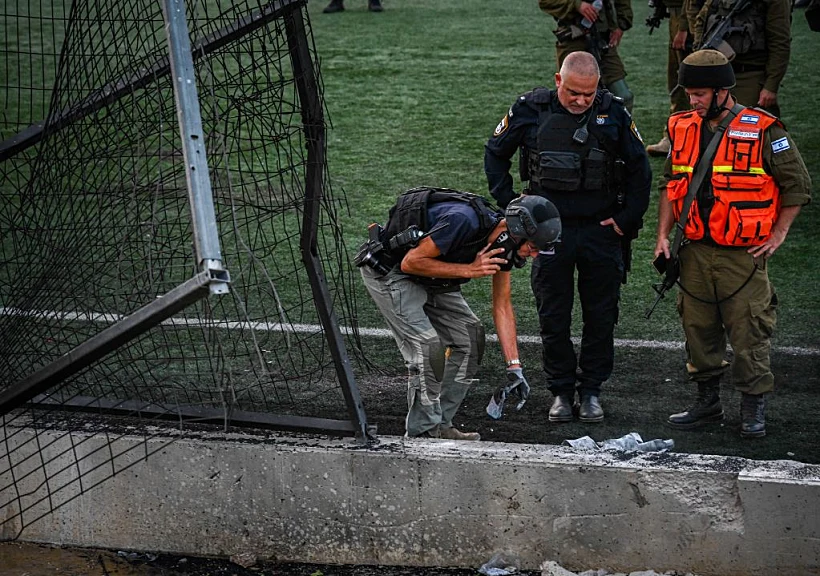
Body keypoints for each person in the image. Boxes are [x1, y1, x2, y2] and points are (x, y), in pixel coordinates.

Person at [484, 51, 651, 424]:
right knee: (553, 314)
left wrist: (626, 219)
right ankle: (560, 390)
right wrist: (511, 205)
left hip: (599, 231)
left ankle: (591, 391)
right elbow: (495, 153)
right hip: (547, 235)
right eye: (574, 92)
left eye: (588, 95)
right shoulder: (530, 108)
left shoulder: (614, 112)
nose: (580, 101)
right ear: (559, 81)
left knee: (601, 315)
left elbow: (641, 168)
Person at [654, 50, 811, 438]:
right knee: (697, 329)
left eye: (701, 94)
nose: (694, 100)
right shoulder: (680, 126)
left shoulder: (764, 130)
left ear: (724, 91)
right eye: (690, 93)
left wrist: (779, 234)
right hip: (693, 251)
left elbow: (798, 185)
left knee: (749, 332)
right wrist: (661, 236)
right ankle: (707, 403)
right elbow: (671, 184)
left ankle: (753, 405)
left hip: (742, 256)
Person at [357, 187, 562, 440]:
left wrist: (514, 367)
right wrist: (470, 269)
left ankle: (441, 426)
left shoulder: (504, 246)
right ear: (514, 233)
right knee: (428, 348)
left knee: (470, 338)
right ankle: (422, 436)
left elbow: (503, 305)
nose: (534, 255)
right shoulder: (462, 220)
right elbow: (410, 262)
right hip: (391, 273)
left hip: (432, 275)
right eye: (532, 247)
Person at [692, 0, 791, 117]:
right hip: (715, 76)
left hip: (749, 77)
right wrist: (701, 51)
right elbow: (701, 21)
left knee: (749, 127)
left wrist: (771, 86)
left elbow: (779, 42)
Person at [539, 0, 636, 111]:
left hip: (603, 40)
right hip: (573, 38)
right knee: (573, 96)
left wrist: (621, 24)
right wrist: (576, 5)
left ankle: (619, 127)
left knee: (623, 96)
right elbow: (545, 2)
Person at [645, 0, 693, 156]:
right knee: (675, 78)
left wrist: (684, 26)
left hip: (688, 15)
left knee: (687, 79)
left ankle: (684, 136)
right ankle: (674, 134)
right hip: (677, 14)